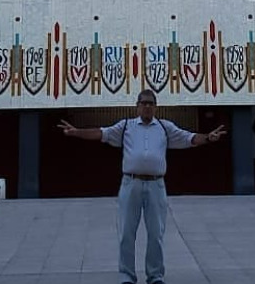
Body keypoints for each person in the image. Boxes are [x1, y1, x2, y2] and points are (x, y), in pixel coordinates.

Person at [58, 90, 226, 284]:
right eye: (143, 103)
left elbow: (188, 138)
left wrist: (208, 137)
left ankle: (155, 276)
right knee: (126, 234)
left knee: (156, 234)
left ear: (155, 107)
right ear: (137, 106)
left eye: (151, 103)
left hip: (156, 185)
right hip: (131, 184)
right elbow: (102, 133)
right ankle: (126, 276)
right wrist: (76, 132)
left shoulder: (164, 127)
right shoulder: (126, 126)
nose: (147, 106)